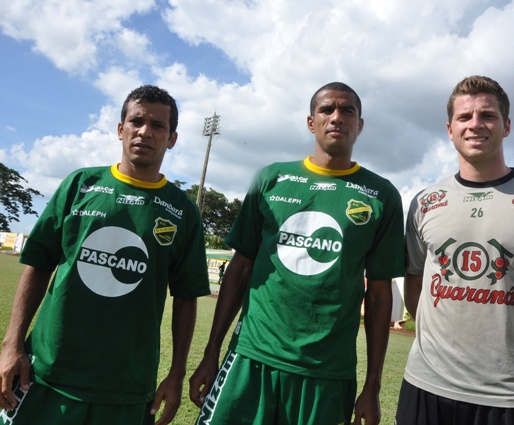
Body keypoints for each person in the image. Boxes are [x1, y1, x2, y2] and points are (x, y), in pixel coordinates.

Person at [189, 82, 405, 424]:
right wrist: (211, 351)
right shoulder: (272, 179)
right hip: (252, 356)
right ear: (311, 122)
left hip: (327, 373)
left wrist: (373, 385)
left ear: (360, 125)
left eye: (347, 111)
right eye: (327, 109)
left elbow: (379, 293)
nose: (337, 117)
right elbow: (240, 268)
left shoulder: (381, 195)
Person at [0, 85, 211, 425]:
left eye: (158, 125)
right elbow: (38, 265)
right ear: (120, 129)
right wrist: (12, 344)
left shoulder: (183, 211)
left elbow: (187, 297)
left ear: (172, 138)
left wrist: (176, 374)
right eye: (136, 121)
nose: (145, 131)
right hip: (47, 375)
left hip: (127, 388)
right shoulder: (80, 185)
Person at [396, 75, 514, 425]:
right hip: (425, 385)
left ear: (507, 126)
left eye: (487, 115)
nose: (475, 124)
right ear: (450, 129)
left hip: (510, 398)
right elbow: (415, 290)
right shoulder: (425, 202)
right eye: (464, 117)